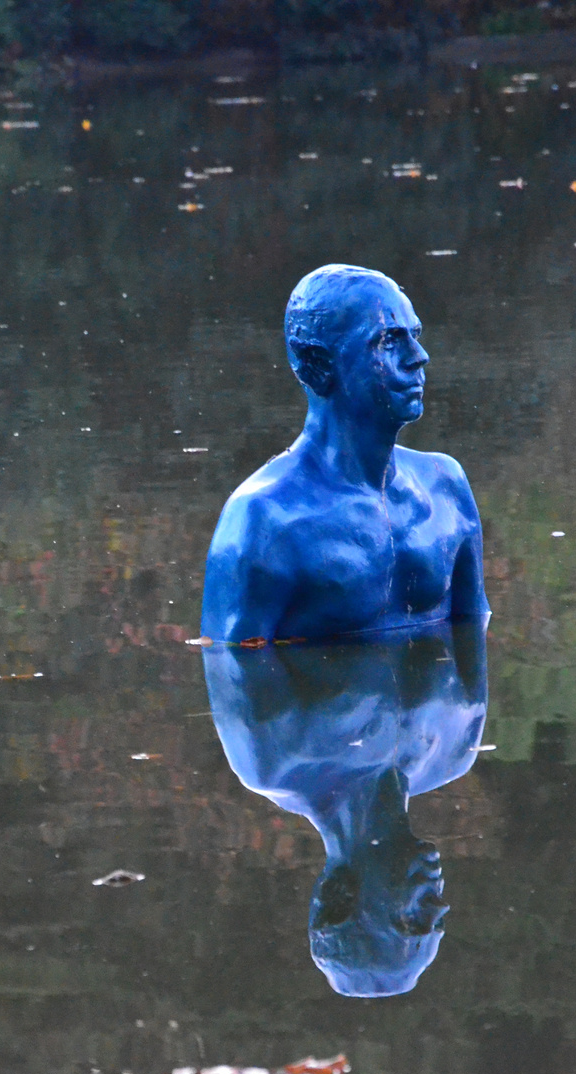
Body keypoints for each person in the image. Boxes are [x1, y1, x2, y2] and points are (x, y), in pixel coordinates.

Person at [200, 264, 488, 644]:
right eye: (388, 340)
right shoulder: (264, 521)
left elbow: (473, 640)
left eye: (415, 335)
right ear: (318, 366)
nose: (419, 357)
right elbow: (234, 679)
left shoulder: (445, 485)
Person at [203, 619, 489, 997]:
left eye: (413, 919)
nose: (441, 908)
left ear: (339, 897)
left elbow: (232, 617)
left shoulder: (269, 757)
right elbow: (471, 618)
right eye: (435, 922)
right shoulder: (455, 753)